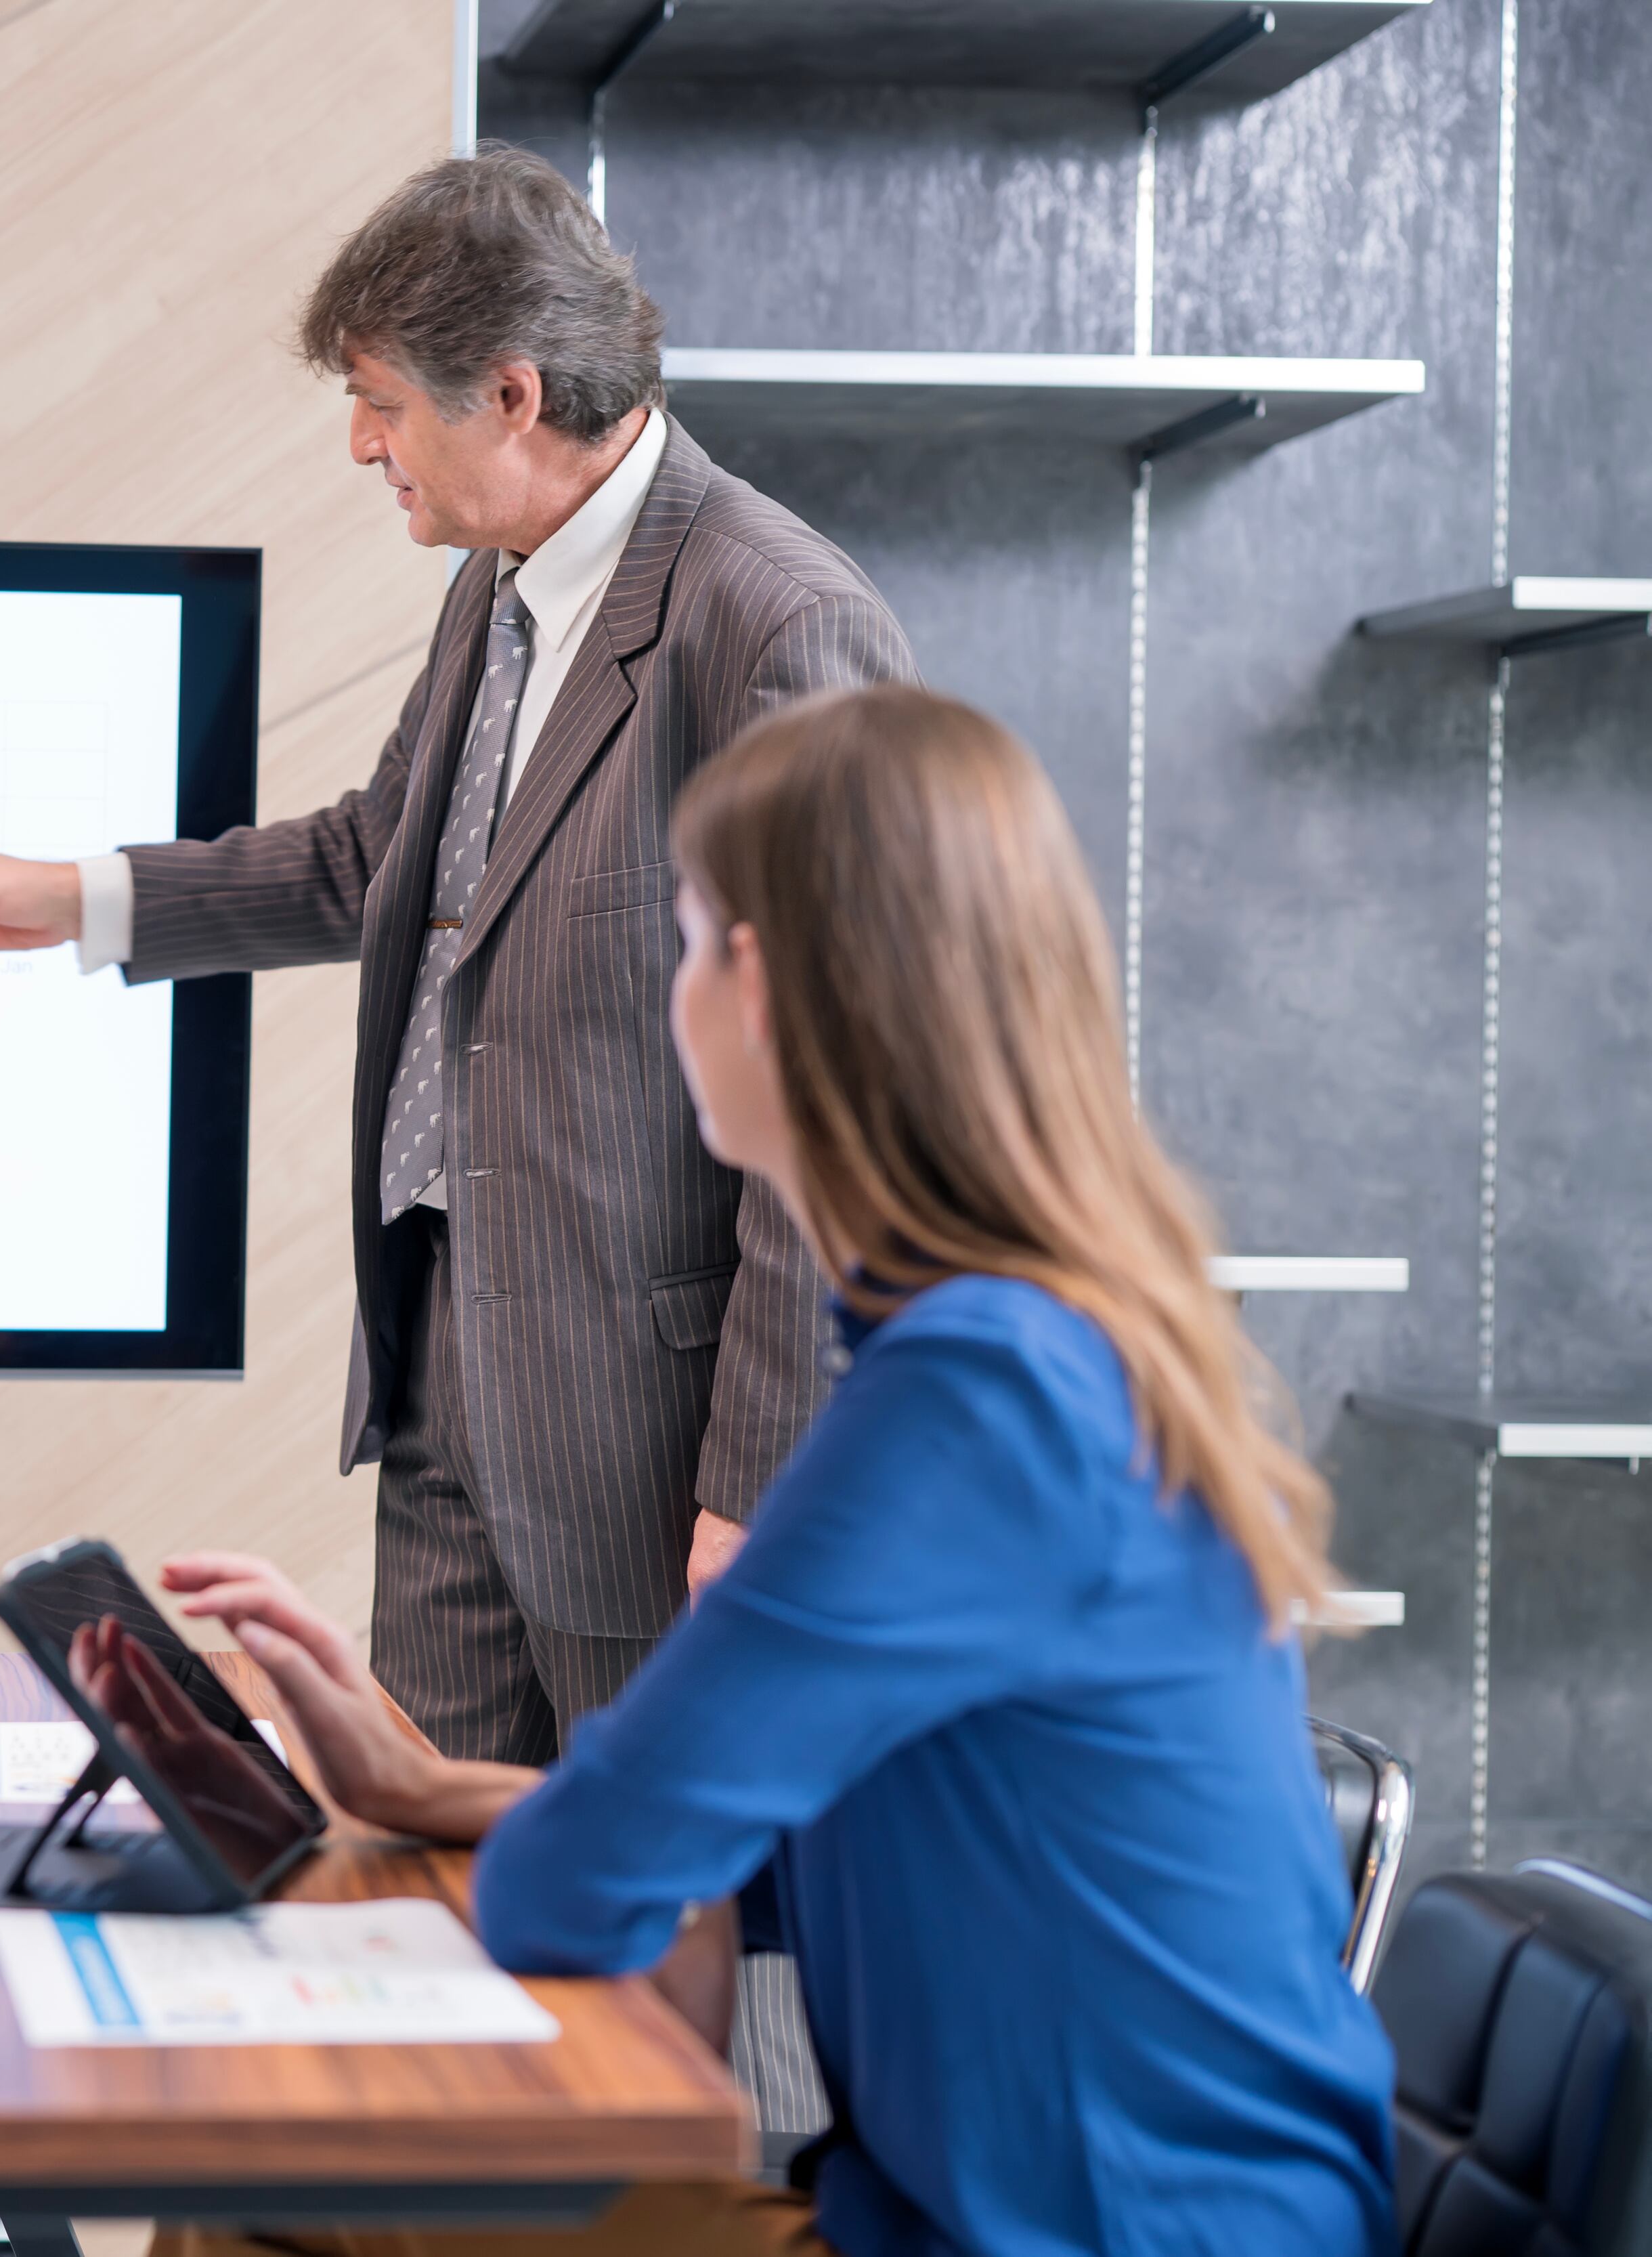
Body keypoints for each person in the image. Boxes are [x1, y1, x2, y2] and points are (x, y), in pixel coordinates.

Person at [150, 685, 1398, 2256]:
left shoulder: (976, 1395)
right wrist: (418, 1787)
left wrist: (513, 1823)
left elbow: (586, 1883)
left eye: (678, 941)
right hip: (1123, 2217)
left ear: (754, 981)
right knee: (295, 2157)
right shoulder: (1040, 1346)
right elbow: (731, 1833)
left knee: (271, 2161)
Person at [0, 147, 916, 1772]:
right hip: (441, 1377)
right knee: (425, 1863)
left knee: (655, 1904)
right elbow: (383, 859)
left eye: (380, 404)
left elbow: (835, 1100)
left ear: (512, 393)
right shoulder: (502, 582)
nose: (360, 444)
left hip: (648, 1439)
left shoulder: (775, 625)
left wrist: (761, 1486)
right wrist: (67, 896)